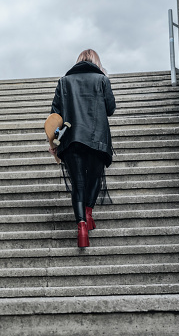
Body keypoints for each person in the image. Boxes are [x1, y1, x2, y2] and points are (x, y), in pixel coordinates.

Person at [49, 49, 116, 248]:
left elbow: (54, 116)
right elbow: (110, 109)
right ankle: (88, 213)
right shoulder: (102, 80)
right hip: (97, 139)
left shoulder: (63, 82)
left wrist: (53, 142)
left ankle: (81, 227)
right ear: (96, 62)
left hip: (71, 140)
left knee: (78, 185)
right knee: (95, 178)